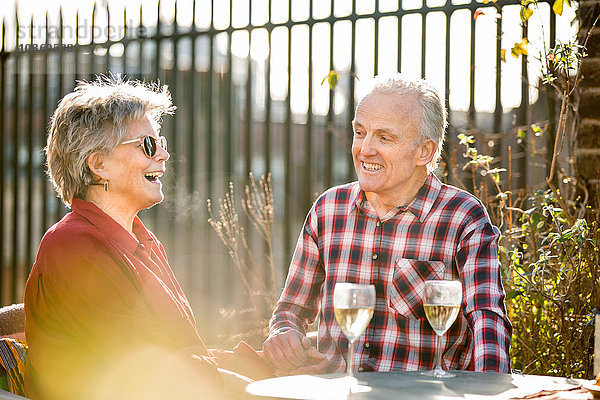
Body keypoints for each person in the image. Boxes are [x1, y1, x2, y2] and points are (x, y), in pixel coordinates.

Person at [24, 76, 272, 400]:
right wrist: (249, 386)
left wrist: (270, 366)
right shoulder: (72, 246)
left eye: (161, 143)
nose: (164, 156)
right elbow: (144, 367)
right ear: (99, 164)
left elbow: (181, 354)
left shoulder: (143, 243)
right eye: (148, 145)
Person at [263, 74, 512, 375]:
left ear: (424, 152)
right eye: (360, 132)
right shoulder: (327, 211)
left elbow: (487, 320)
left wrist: (488, 393)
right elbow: (289, 312)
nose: (365, 150)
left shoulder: (462, 217)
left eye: (384, 137)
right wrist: (283, 336)